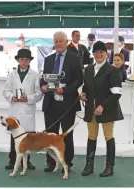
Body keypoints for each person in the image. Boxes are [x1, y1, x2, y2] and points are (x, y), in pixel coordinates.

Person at [40, 31, 83, 172]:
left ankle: (67, 163)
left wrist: (65, 90)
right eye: (56, 41)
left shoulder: (75, 58)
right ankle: (50, 163)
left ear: (66, 42)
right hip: (51, 102)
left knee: (67, 135)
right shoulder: (48, 59)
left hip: (67, 103)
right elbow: (44, 78)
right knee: (49, 135)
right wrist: (43, 86)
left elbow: (79, 80)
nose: (58, 44)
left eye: (60, 41)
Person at [80, 41, 124, 177]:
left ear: (106, 54)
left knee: (108, 137)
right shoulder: (88, 70)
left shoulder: (113, 71)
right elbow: (86, 86)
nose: (98, 54)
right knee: (91, 137)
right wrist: (83, 93)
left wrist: (102, 106)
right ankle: (89, 166)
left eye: (101, 52)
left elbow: (116, 93)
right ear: (93, 54)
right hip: (91, 109)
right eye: (96, 52)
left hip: (107, 109)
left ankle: (109, 167)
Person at [2, 48, 43, 170]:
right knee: (14, 135)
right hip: (15, 108)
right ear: (18, 60)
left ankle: (27, 161)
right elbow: (5, 91)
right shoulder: (12, 74)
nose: (24, 62)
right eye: (21, 59)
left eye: (26, 60)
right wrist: (12, 97)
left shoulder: (35, 75)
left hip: (27, 109)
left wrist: (28, 98)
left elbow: (39, 93)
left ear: (29, 61)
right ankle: (12, 160)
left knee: (28, 137)